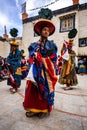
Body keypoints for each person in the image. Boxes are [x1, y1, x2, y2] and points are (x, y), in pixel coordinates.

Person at [23, 18, 58, 118]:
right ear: (40, 31)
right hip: (35, 71)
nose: (46, 31)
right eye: (44, 30)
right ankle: (33, 109)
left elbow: (54, 58)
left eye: (48, 30)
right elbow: (30, 56)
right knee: (33, 89)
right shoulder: (34, 45)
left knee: (45, 89)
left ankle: (44, 109)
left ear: (49, 32)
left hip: (46, 72)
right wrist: (34, 56)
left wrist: (43, 60)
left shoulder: (52, 45)